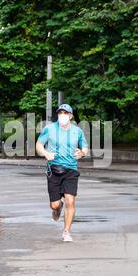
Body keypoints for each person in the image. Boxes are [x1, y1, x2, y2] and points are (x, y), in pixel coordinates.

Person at [36, 104, 89, 242]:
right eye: (60, 113)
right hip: (54, 169)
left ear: (71, 116)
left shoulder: (77, 131)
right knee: (55, 204)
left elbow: (85, 147)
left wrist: (82, 152)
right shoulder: (49, 129)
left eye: (65, 113)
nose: (62, 115)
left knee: (70, 201)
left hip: (71, 170)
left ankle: (66, 232)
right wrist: (46, 153)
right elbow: (39, 145)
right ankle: (57, 210)